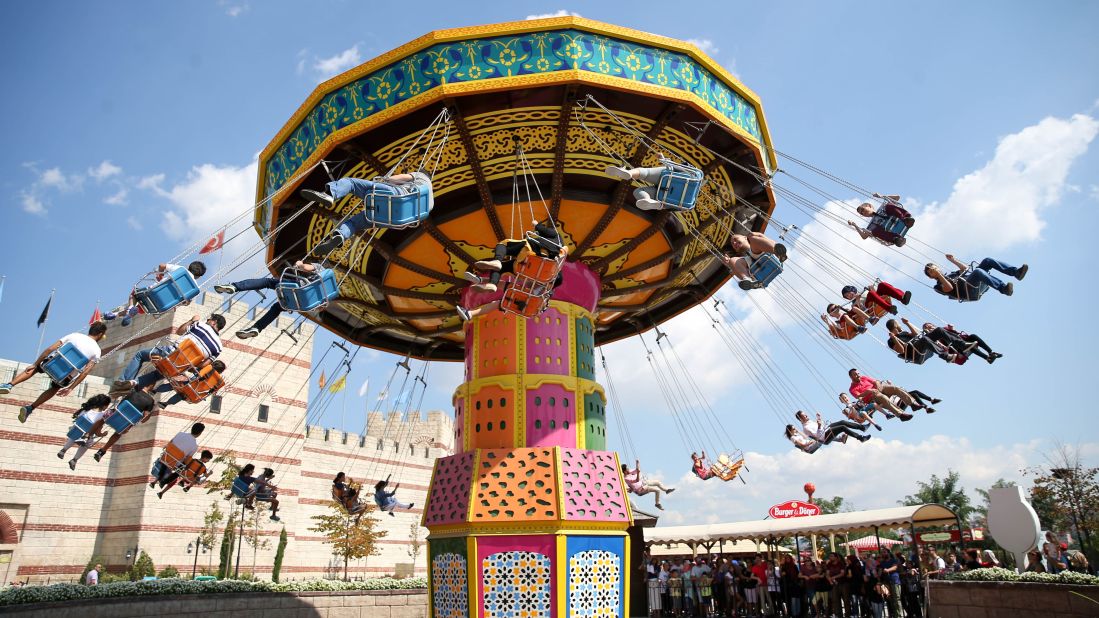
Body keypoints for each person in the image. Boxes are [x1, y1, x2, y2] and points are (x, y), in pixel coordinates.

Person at [1, 321, 108, 423]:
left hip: (51, 364)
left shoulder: (75, 335)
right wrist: (71, 388)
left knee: (36, 369)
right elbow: (85, 372)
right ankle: (30, 408)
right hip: (64, 376)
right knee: (55, 388)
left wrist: (35, 363)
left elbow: (50, 349)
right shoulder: (97, 350)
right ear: (100, 334)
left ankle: (9, 385)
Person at [304, 172, 434, 255]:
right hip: (396, 220)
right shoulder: (430, 202)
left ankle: (331, 195)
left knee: (351, 183)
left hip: (395, 197)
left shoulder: (421, 177)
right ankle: (340, 236)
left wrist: (387, 179)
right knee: (354, 224)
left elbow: (398, 178)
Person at [113, 314, 225, 393]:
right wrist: (188, 365)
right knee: (159, 374)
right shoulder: (219, 347)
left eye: (209, 320)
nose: (207, 321)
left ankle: (123, 381)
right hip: (179, 367)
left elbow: (179, 331)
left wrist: (192, 320)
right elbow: (203, 365)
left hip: (169, 353)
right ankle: (132, 383)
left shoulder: (200, 325)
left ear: (214, 322)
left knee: (140, 355)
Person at [212, 261, 323, 339]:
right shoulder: (326, 289)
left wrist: (300, 264)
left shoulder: (321, 269)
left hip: (296, 288)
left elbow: (306, 268)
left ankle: (235, 286)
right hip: (301, 303)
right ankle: (257, 328)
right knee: (277, 308)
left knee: (267, 282)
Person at [461, 220, 564, 295]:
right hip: (526, 271)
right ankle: (492, 284)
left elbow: (541, 229)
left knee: (503, 244)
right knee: (501, 268)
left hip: (531, 251)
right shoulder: (556, 258)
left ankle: (497, 261)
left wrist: (536, 224)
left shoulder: (556, 236)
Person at [105, 261, 207, 326]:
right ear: (199, 276)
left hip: (151, 293)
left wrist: (160, 276)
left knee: (134, 293)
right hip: (161, 307)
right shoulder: (195, 288)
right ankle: (116, 314)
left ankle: (131, 308)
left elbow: (162, 265)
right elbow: (187, 302)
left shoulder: (181, 269)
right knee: (140, 308)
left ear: (189, 266)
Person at [90, 386, 159, 464]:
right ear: (152, 388)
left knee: (103, 419)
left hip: (114, 415)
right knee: (118, 433)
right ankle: (102, 451)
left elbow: (120, 402)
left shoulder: (135, 390)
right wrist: (152, 410)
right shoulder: (150, 401)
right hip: (124, 424)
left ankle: (88, 434)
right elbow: (144, 420)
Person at [604, 161, 702, 210]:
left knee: (645, 173)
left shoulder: (695, 177)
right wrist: (661, 206)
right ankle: (649, 200)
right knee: (638, 192)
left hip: (669, 177)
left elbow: (679, 168)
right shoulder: (689, 204)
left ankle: (629, 173)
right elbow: (673, 208)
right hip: (664, 196)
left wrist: (664, 160)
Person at [925, 254, 1028, 301]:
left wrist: (953, 260)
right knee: (978, 271)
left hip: (974, 282)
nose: (934, 270)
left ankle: (1016, 272)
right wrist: (939, 275)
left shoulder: (951, 274)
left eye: (934, 268)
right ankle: (1003, 289)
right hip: (970, 292)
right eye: (931, 271)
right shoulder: (938, 286)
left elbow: (965, 268)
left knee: (987, 260)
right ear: (931, 277)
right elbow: (949, 288)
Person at [140, 359, 227, 408]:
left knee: (174, 384)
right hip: (194, 394)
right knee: (182, 395)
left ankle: (155, 391)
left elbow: (197, 376)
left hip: (189, 384)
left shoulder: (208, 368)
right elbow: (211, 392)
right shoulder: (218, 381)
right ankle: (165, 403)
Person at [720, 232, 788, 290]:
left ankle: (779, 253)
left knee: (753, 239)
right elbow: (735, 269)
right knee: (732, 260)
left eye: (735, 239)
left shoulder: (752, 240)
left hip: (761, 253)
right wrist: (729, 264)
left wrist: (755, 235)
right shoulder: (740, 261)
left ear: (744, 237)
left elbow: (763, 238)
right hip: (753, 268)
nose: (734, 243)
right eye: (732, 243)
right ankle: (748, 280)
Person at [57, 395, 113, 464]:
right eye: (107, 405)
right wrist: (103, 434)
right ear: (104, 405)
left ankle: (63, 450)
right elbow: (97, 432)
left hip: (75, 429)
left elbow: (77, 419)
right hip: (86, 436)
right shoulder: (101, 416)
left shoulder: (87, 408)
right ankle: (74, 460)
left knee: (76, 435)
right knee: (88, 444)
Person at [848, 368, 930, 416]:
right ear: (851, 377)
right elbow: (858, 396)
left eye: (858, 373)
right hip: (872, 396)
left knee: (895, 388)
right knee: (882, 397)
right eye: (855, 374)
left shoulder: (864, 378)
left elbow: (874, 381)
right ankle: (900, 414)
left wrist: (877, 385)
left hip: (879, 389)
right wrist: (869, 391)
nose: (858, 375)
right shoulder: (852, 388)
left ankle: (913, 404)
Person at [150, 423, 205, 488]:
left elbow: (170, 442)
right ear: (200, 433)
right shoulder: (194, 446)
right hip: (174, 463)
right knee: (180, 469)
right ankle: (164, 482)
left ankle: (157, 480)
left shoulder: (180, 434)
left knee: (169, 459)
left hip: (165, 457)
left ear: (192, 428)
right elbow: (188, 459)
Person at [847, 194, 915, 246]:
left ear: (869, 206)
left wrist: (882, 196)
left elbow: (897, 197)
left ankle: (906, 219)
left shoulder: (883, 207)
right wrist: (855, 225)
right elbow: (864, 236)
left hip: (898, 217)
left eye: (863, 209)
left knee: (888, 206)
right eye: (861, 213)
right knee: (873, 231)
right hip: (890, 234)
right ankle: (897, 239)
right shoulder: (871, 225)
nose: (863, 212)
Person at [921, 322, 1003, 364]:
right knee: (965, 347)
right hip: (955, 349)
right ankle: (987, 358)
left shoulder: (942, 329)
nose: (930, 327)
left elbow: (955, 333)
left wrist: (950, 328)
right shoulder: (931, 336)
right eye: (927, 327)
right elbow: (937, 345)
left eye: (930, 325)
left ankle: (991, 352)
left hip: (960, 341)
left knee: (973, 336)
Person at [885, 318, 958, 364]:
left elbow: (915, 334)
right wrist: (894, 338)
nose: (900, 325)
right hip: (915, 354)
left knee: (938, 330)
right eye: (898, 324)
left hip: (920, 346)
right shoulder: (890, 341)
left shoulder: (903, 333)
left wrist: (907, 323)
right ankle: (946, 356)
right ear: (895, 325)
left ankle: (960, 343)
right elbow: (901, 351)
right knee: (924, 339)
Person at [797, 410, 872, 445]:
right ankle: (861, 438)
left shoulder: (810, 422)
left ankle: (862, 427)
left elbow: (821, 427)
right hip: (825, 437)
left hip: (826, 430)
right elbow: (818, 436)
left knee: (842, 422)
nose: (806, 416)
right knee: (842, 427)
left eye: (805, 414)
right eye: (804, 416)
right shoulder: (806, 427)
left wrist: (819, 419)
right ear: (800, 419)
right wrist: (819, 426)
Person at [842, 282, 911, 316]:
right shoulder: (853, 305)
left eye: (848, 293)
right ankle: (889, 308)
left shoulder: (865, 291)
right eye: (847, 296)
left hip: (876, 300)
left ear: (852, 290)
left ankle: (902, 298)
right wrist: (857, 300)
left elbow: (875, 294)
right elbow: (862, 311)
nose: (849, 296)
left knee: (881, 285)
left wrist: (872, 289)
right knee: (871, 294)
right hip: (869, 307)